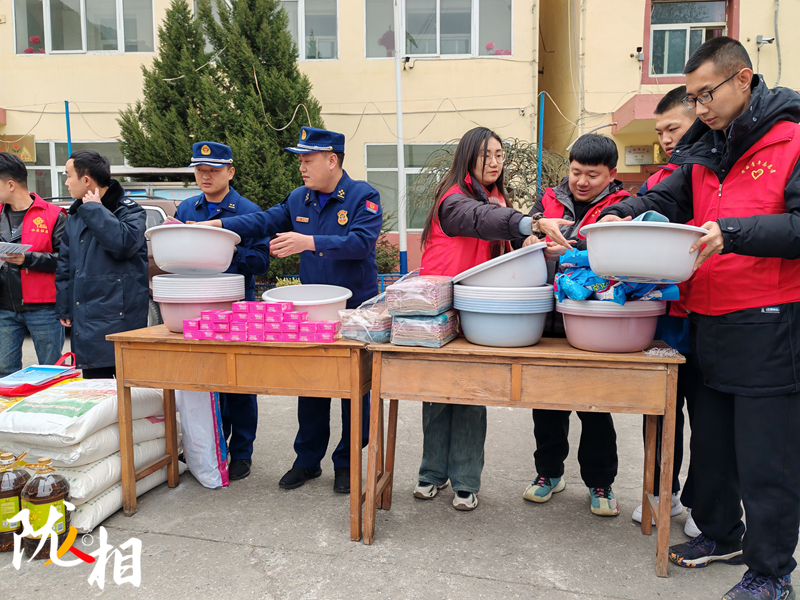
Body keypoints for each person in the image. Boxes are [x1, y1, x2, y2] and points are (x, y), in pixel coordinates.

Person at [599, 37, 800, 600]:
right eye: (693, 97)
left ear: (743, 79)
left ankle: (771, 572)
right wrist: (622, 212)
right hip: (707, 316)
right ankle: (720, 532)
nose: (699, 106)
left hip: (768, 320)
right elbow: (666, 200)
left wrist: (733, 232)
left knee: (766, 456)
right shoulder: (707, 148)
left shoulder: (792, 139)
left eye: (705, 94)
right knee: (712, 444)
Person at [197, 127, 379, 494]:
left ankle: (347, 463)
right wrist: (218, 225)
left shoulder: (363, 196)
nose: (301, 167)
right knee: (311, 387)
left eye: (307, 160)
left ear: (332, 160)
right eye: (300, 160)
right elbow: (262, 221)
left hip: (354, 312)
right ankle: (307, 461)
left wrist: (309, 242)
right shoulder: (300, 198)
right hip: (312, 312)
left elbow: (361, 243)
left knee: (356, 393)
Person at [415, 126, 571, 511]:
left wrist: (534, 244)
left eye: (499, 155)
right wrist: (530, 223)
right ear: (468, 156)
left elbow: (507, 241)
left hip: (477, 308)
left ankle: (465, 481)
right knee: (436, 395)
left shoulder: (497, 198)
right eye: (486, 155)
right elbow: (480, 219)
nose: (494, 162)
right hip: (441, 309)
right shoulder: (453, 198)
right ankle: (431, 474)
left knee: (470, 394)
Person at [523, 134, 630, 517]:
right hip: (549, 319)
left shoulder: (621, 205)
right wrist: (530, 241)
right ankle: (548, 473)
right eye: (576, 172)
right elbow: (527, 235)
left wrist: (571, 249)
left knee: (595, 406)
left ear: (611, 174)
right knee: (546, 405)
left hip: (595, 321)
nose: (582, 181)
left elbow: (618, 252)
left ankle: (601, 482)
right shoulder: (548, 199)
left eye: (592, 175)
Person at [173, 142, 270, 481]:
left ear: (230, 172)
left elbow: (261, 262)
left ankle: (242, 452)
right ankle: (210, 447)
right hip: (195, 306)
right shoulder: (187, 208)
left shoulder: (248, 211)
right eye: (200, 170)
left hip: (236, 307)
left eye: (213, 170)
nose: (205, 176)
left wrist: (229, 247)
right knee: (202, 381)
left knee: (239, 384)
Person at [630, 86, 702, 537]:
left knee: (709, 417)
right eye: (660, 132)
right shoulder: (657, 182)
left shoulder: (716, 174)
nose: (666, 139)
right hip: (663, 315)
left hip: (708, 314)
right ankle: (662, 492)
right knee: (659, 411)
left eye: (673, 128)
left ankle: (702, 503)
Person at [55, 150, 148, 379]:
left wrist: (95, 210)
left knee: (126, 390)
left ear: (86, 180)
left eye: (68, 176)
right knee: (94, 390)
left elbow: (123, 244)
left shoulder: (129, 210)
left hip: (119, 318)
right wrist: (64, 306)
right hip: (85, 318)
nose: (66, 182)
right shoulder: (75, 216)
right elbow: (65, 265)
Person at [0, 152, 67, 376]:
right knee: (4, 372)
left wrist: (27, 259)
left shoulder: (54, 215)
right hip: (4, 307)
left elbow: (66, 260)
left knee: (51, 370)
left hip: (44, 308)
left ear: (10, 184)